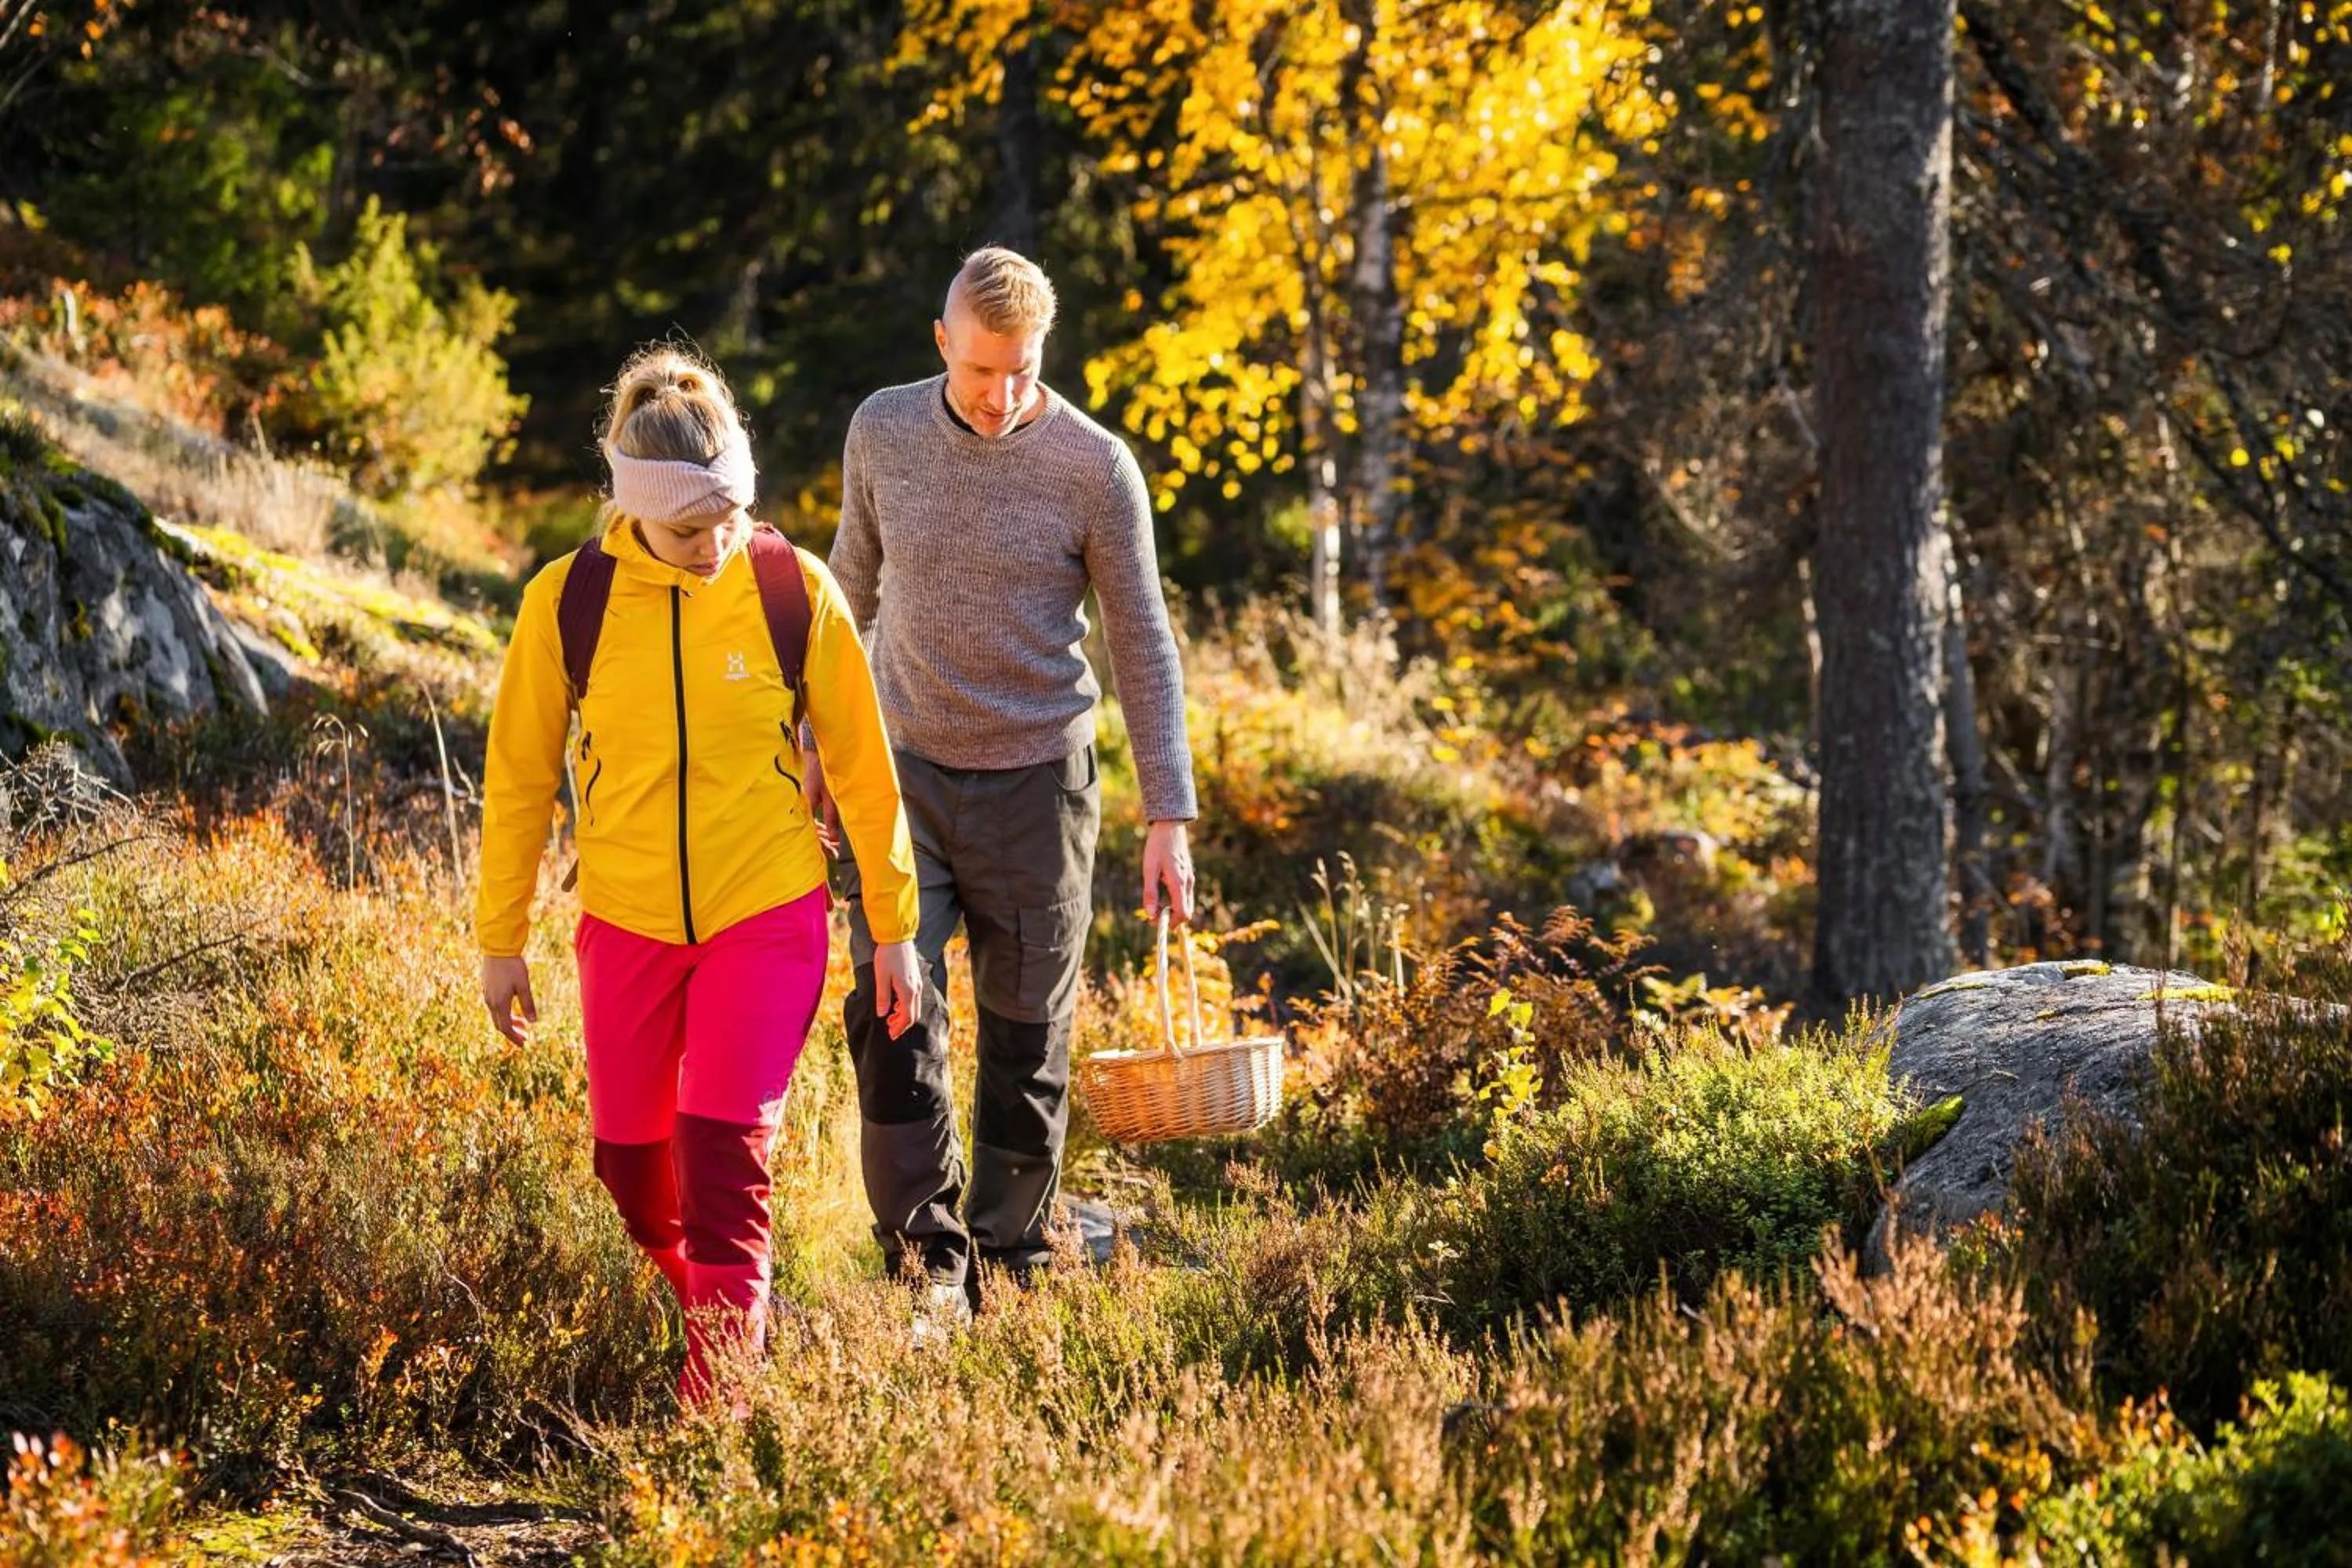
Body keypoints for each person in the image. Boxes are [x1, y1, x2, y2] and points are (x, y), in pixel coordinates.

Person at [474, 346, 924, 1404]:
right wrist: (501, 940)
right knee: (634, 1174)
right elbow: (519, 782)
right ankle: (725, 1315)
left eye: (731, 516)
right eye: (690, 527)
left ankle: (719, 1393)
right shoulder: (568, 604)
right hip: (625, 919)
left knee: (724, 1150)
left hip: (766, 910)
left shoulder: (789, 589)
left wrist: (894, 923)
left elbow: (864, 770)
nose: (716, 541)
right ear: (632, 511)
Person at [807, 246, 1198, 1323]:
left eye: (1022, 369)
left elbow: (1144, 642)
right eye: (983, 370)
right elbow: (850, 587)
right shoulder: (882, 429)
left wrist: (1170, 811)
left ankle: (1009, 1251)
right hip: (903, 779)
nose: (1002, 393)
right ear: (943, 344)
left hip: (1041, 787)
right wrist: (815, 740)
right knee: (896, 1012)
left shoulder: (1094, 466)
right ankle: (925, 1264)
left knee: (1028, 1032)